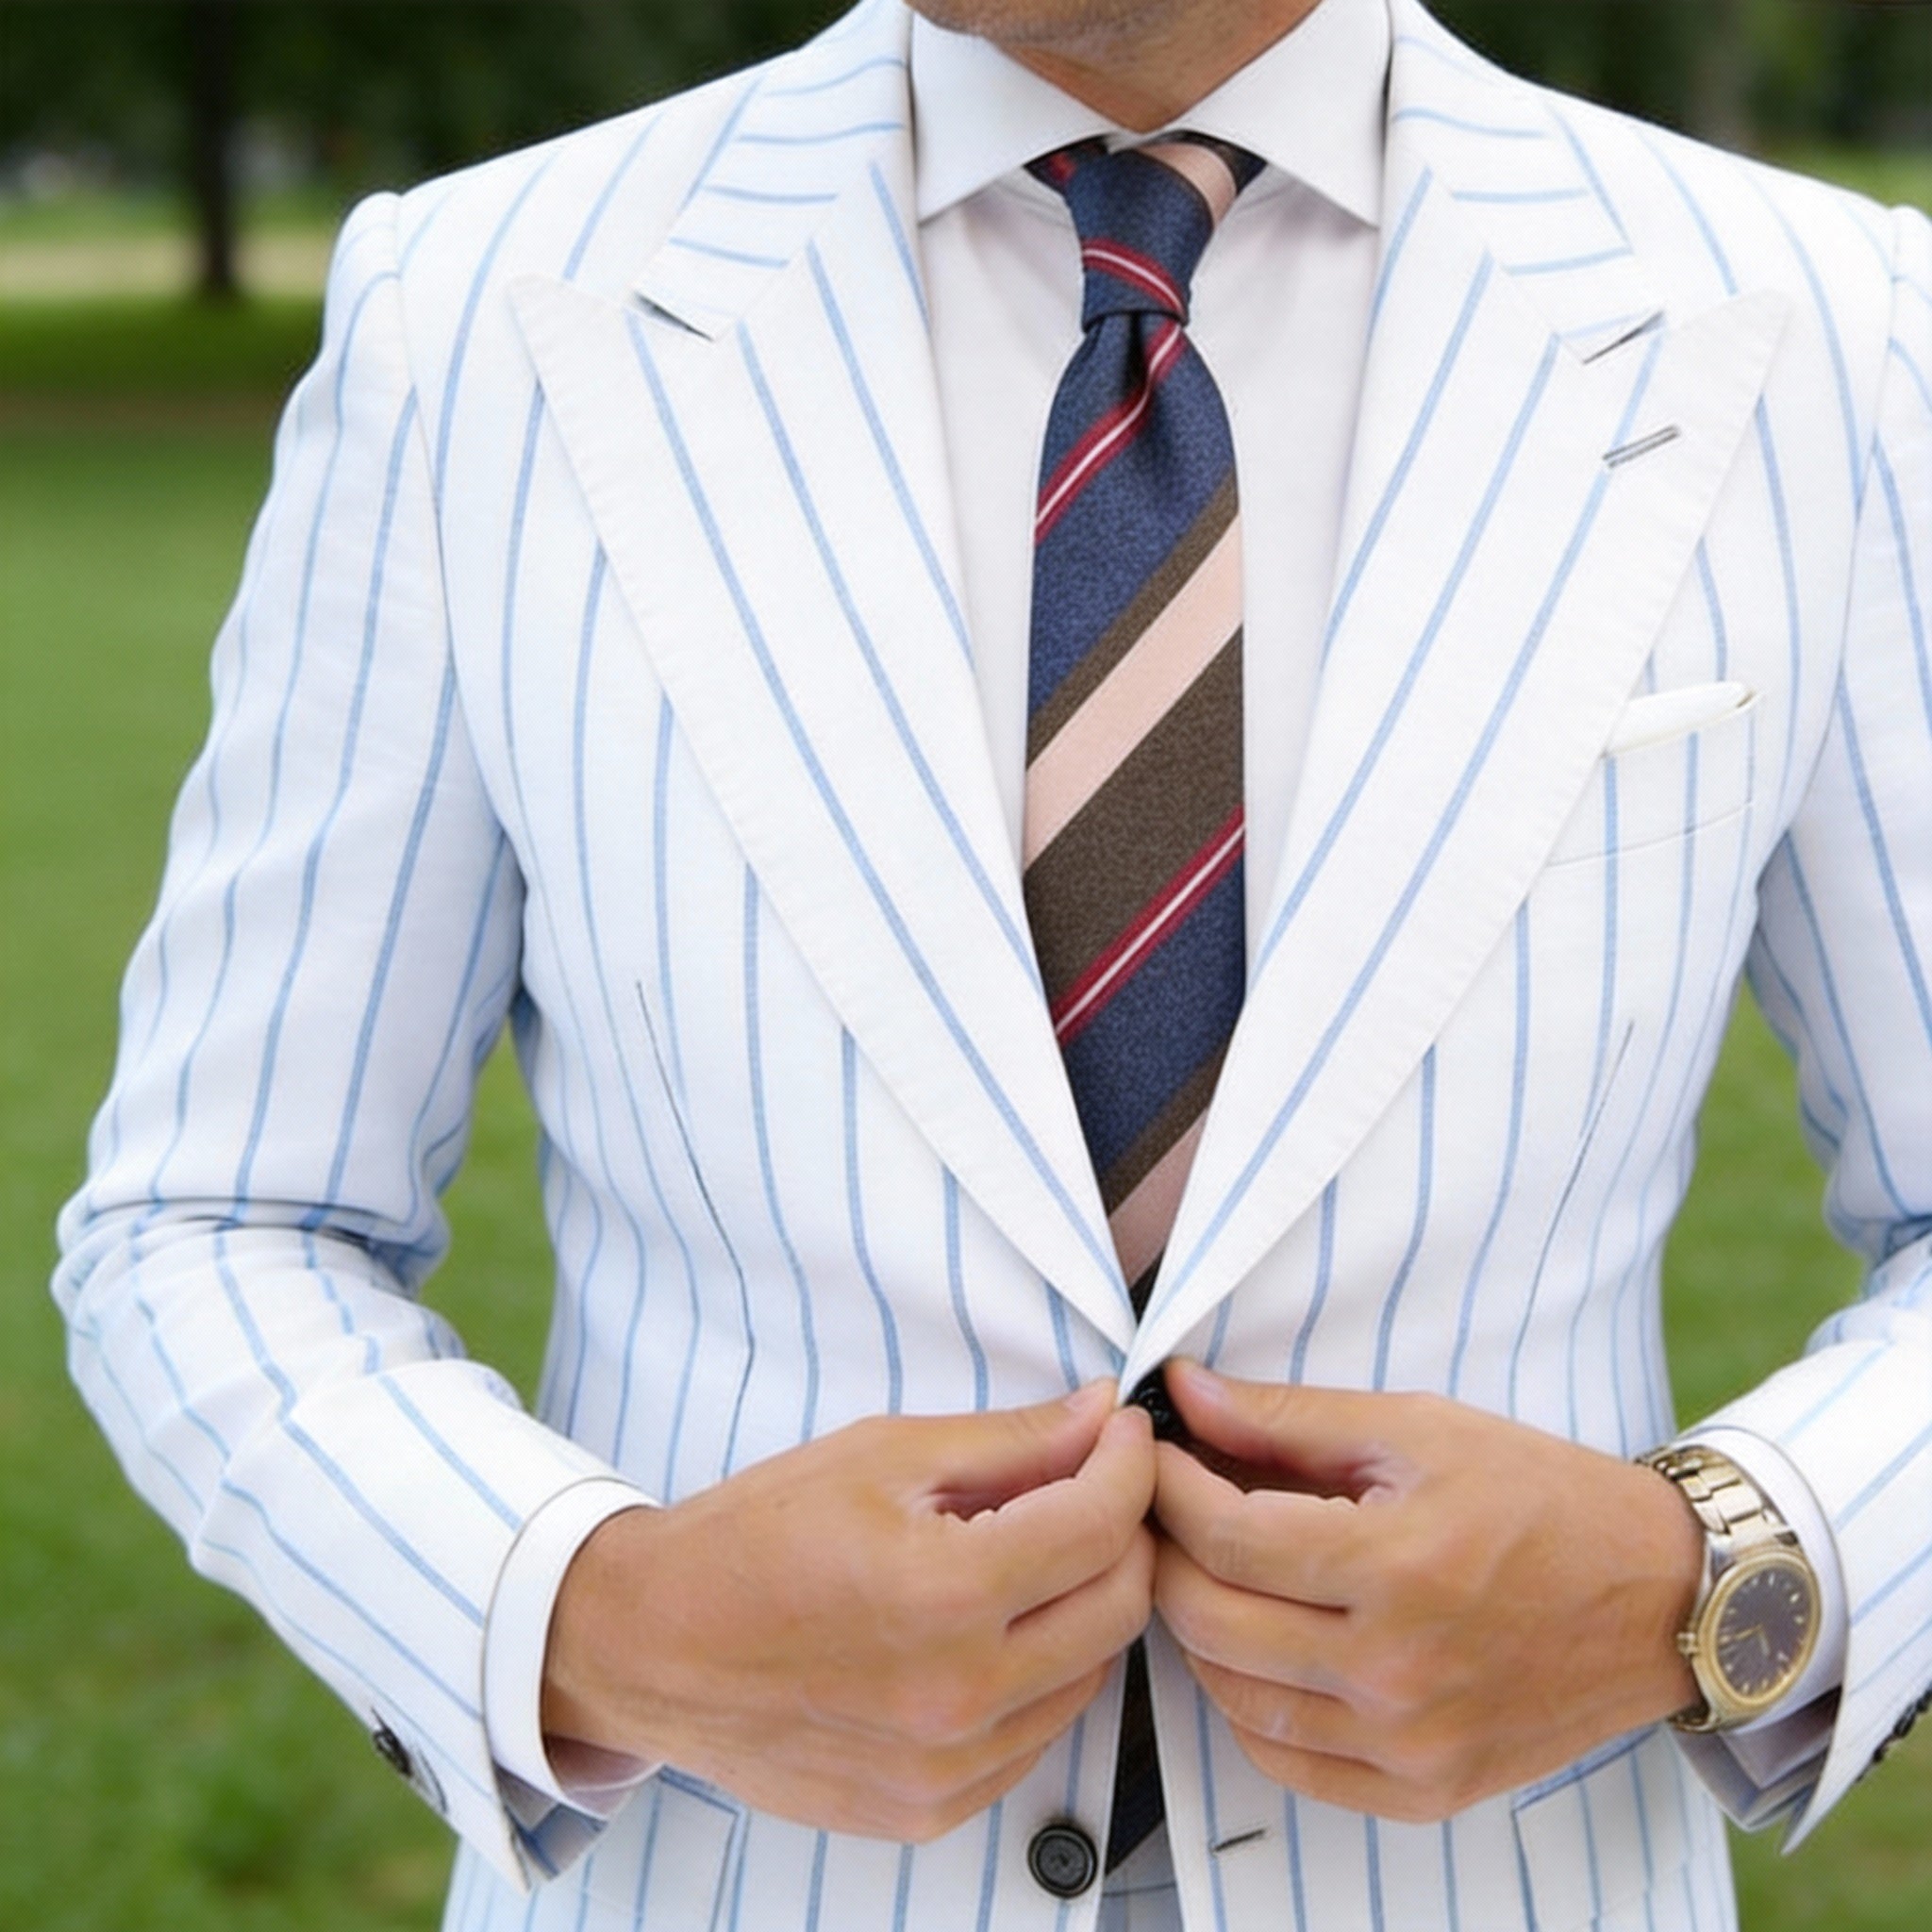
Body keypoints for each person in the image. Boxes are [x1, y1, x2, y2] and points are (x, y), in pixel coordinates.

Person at [53, 0, 1932, 1926]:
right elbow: (217, 1220)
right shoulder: (478, 312)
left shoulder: (1820, 324)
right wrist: (594, 1617)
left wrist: (1711, 1576)